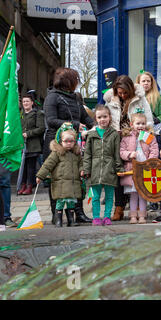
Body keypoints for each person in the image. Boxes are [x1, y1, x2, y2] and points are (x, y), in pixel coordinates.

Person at [43, 67, 95, 224]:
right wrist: (75, 124)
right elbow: (51, 120)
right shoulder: (52, 97)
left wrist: (95, 126)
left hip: (74, 144)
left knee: (76, 179)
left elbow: (86, 117)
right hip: (56, 144)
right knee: (57, 179)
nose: (77, 83)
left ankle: (78, 213)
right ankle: (56, 215)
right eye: (75, 80)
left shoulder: (75, 98)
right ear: (68, 81)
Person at [104, 75, 154, 221]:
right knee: (119, 173)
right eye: (120, 93)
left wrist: (147, 136)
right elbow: (107, 119)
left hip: (136, 139)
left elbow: (149, 119)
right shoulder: (111, 100)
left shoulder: (140, 99)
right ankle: (119, 208)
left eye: (125, 92)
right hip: (117, 139)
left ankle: (138, 207)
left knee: (136, 172)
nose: (123, 95)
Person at [83, 105, 123, 226]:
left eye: (105, 116)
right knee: (95, 196)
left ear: (109, 117)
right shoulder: (92, 135)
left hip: (109, 168)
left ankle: (107, 217)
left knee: (110, 196)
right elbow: (87, 154)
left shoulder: (114, 134)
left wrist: (118, 168)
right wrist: (86, 169)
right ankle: (96, 217)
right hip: (95, 170)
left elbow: (117, 153)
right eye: (99, 117)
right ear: (96, 118)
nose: (102, 119)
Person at [36, 123, 83, 227]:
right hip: (60, 184)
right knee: (60, 202)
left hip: (72, 183)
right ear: (60, 141)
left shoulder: (76, 153)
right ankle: (58, 220)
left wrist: (81, 170)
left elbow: (80, 164)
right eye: (66, 141)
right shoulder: (57, 153)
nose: (68, 144)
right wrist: (40, 176)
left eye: (71, 141)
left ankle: (71, 220)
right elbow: (47, 165)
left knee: (71, 202)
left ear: (74, 142)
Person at [120, 112, 159, 224]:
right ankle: (133, 216)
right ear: (132, 124)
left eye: (143, 123)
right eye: (138, 123)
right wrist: (129, 154)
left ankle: (142, 216)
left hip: (145, 168)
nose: (140, 126)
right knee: (133, 194)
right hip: (132, 168)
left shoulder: (149, 136)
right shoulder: (126, 137)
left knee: (143, 193)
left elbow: (154, 150)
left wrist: (150, 161)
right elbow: (121, 151)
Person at [19, 94, 45, 195]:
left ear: (32, 103)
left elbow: (41, 128)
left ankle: (30, 186)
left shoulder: (37, 113)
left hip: (33, 144)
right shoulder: (21, 114)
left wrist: (28, 134)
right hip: (22, 144)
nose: (25, 103)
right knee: (23, 166)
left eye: (27, 101)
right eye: (24, 101)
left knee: (30, 167)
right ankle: (23, 185)